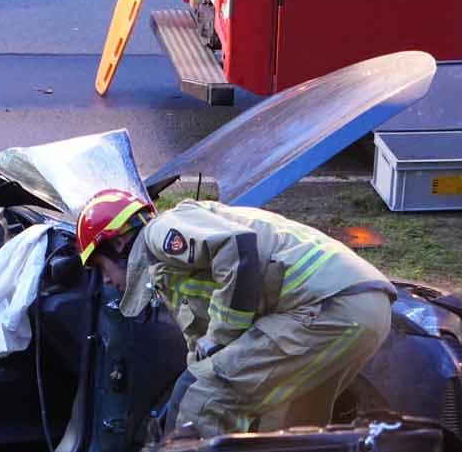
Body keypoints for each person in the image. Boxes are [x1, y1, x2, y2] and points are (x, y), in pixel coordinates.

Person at [76, 188, 394, 438]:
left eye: (99, 266)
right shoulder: (169, 275)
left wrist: (220, 337)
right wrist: (207, 351)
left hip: (327, 307)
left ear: (117, 244)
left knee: (205, 400)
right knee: (285, 434)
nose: (104, 280)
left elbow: (237, 248)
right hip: (358, 306)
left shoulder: (159, 233)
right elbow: (202, 344)